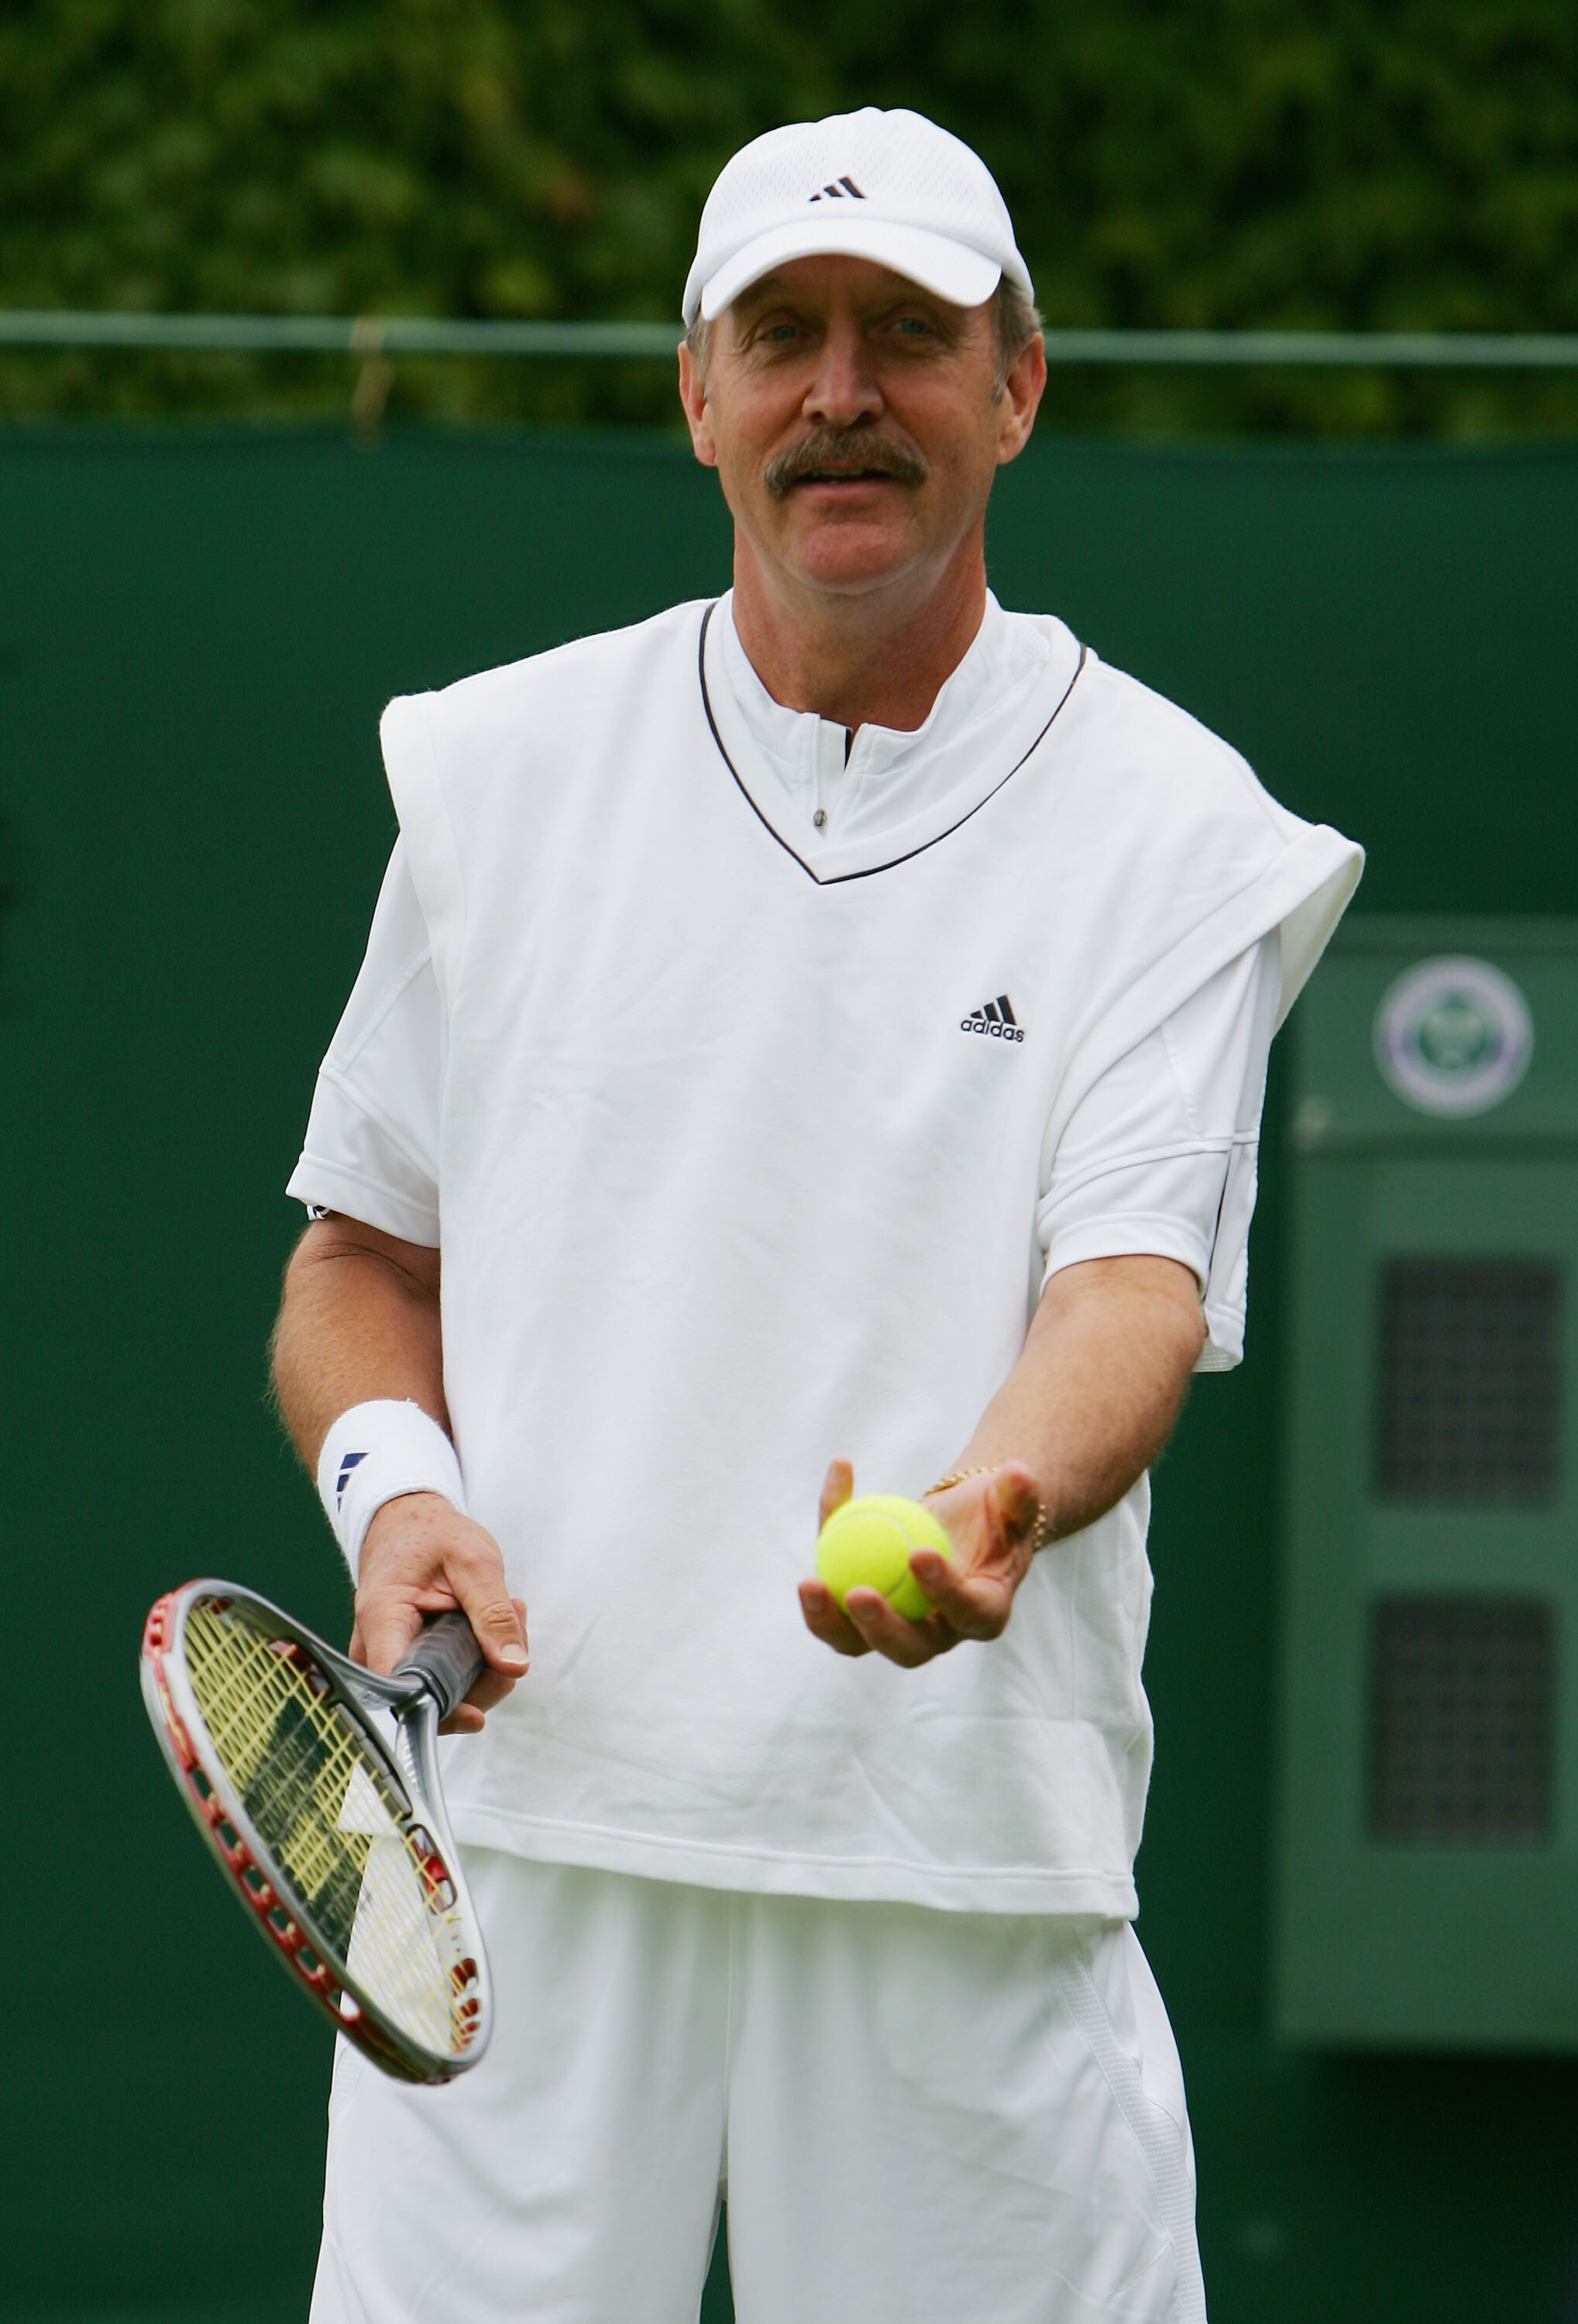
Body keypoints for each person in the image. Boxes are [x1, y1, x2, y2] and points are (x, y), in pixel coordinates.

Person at [273, 105, 1360, 2324]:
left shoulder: (1173, 830)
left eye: (907, 334)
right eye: (782, 333)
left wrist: (993, 1501)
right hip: (515, 1860)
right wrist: (397, 1497)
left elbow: (1132, 1287)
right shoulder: (496, 778)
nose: (841, 390)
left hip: (954, 1856)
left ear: (1016, 386)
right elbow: (362, 1258)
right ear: (698, 393)